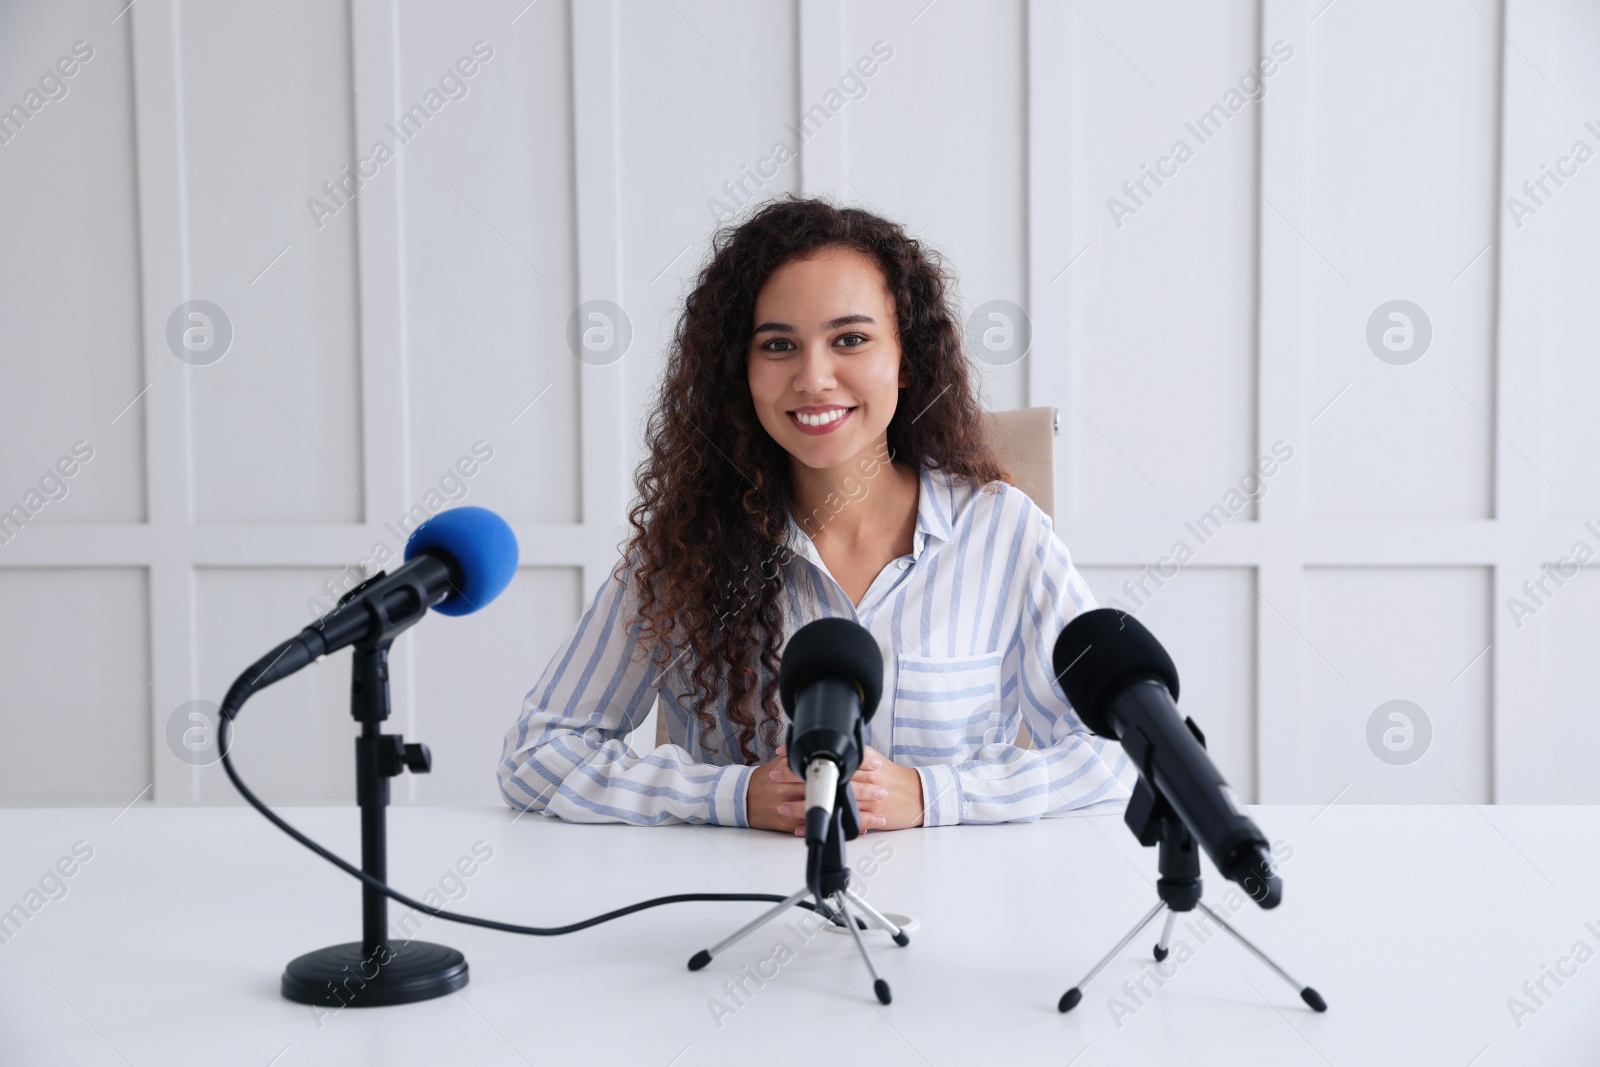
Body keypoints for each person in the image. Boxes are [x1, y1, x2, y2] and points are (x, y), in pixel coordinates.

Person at [498, 196, 1129, 833]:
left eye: (850, 339)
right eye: (778, 345)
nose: (814, 378)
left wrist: (934, 795)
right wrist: (731, 797)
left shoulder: (1004, 531)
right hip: (737, 908)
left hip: (950, 913)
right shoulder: (688, 544)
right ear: (739, 373)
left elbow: (1113, 750)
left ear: (906, 358)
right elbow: (538, 753)